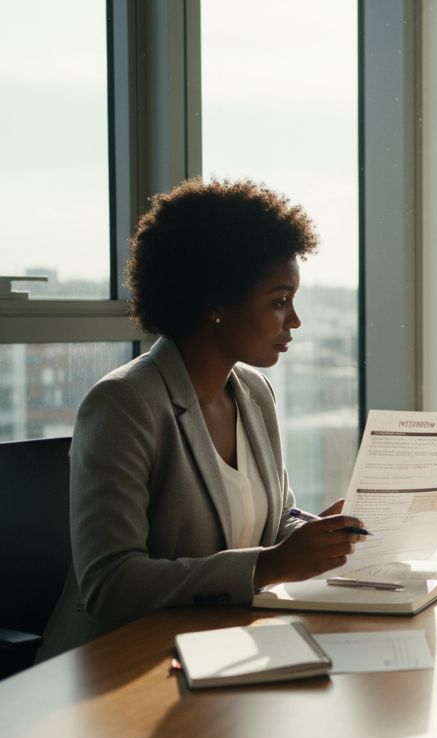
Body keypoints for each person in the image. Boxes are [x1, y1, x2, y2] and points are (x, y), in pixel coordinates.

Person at [39, 179, 366, 659]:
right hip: (119, 667)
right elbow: (109, 584)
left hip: (222, 650)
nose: (294, 320)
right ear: (215, 302)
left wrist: (317, 534)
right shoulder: (123, 404)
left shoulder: (254, 393)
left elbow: (273, 526)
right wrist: (269, 567)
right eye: (279, 301)